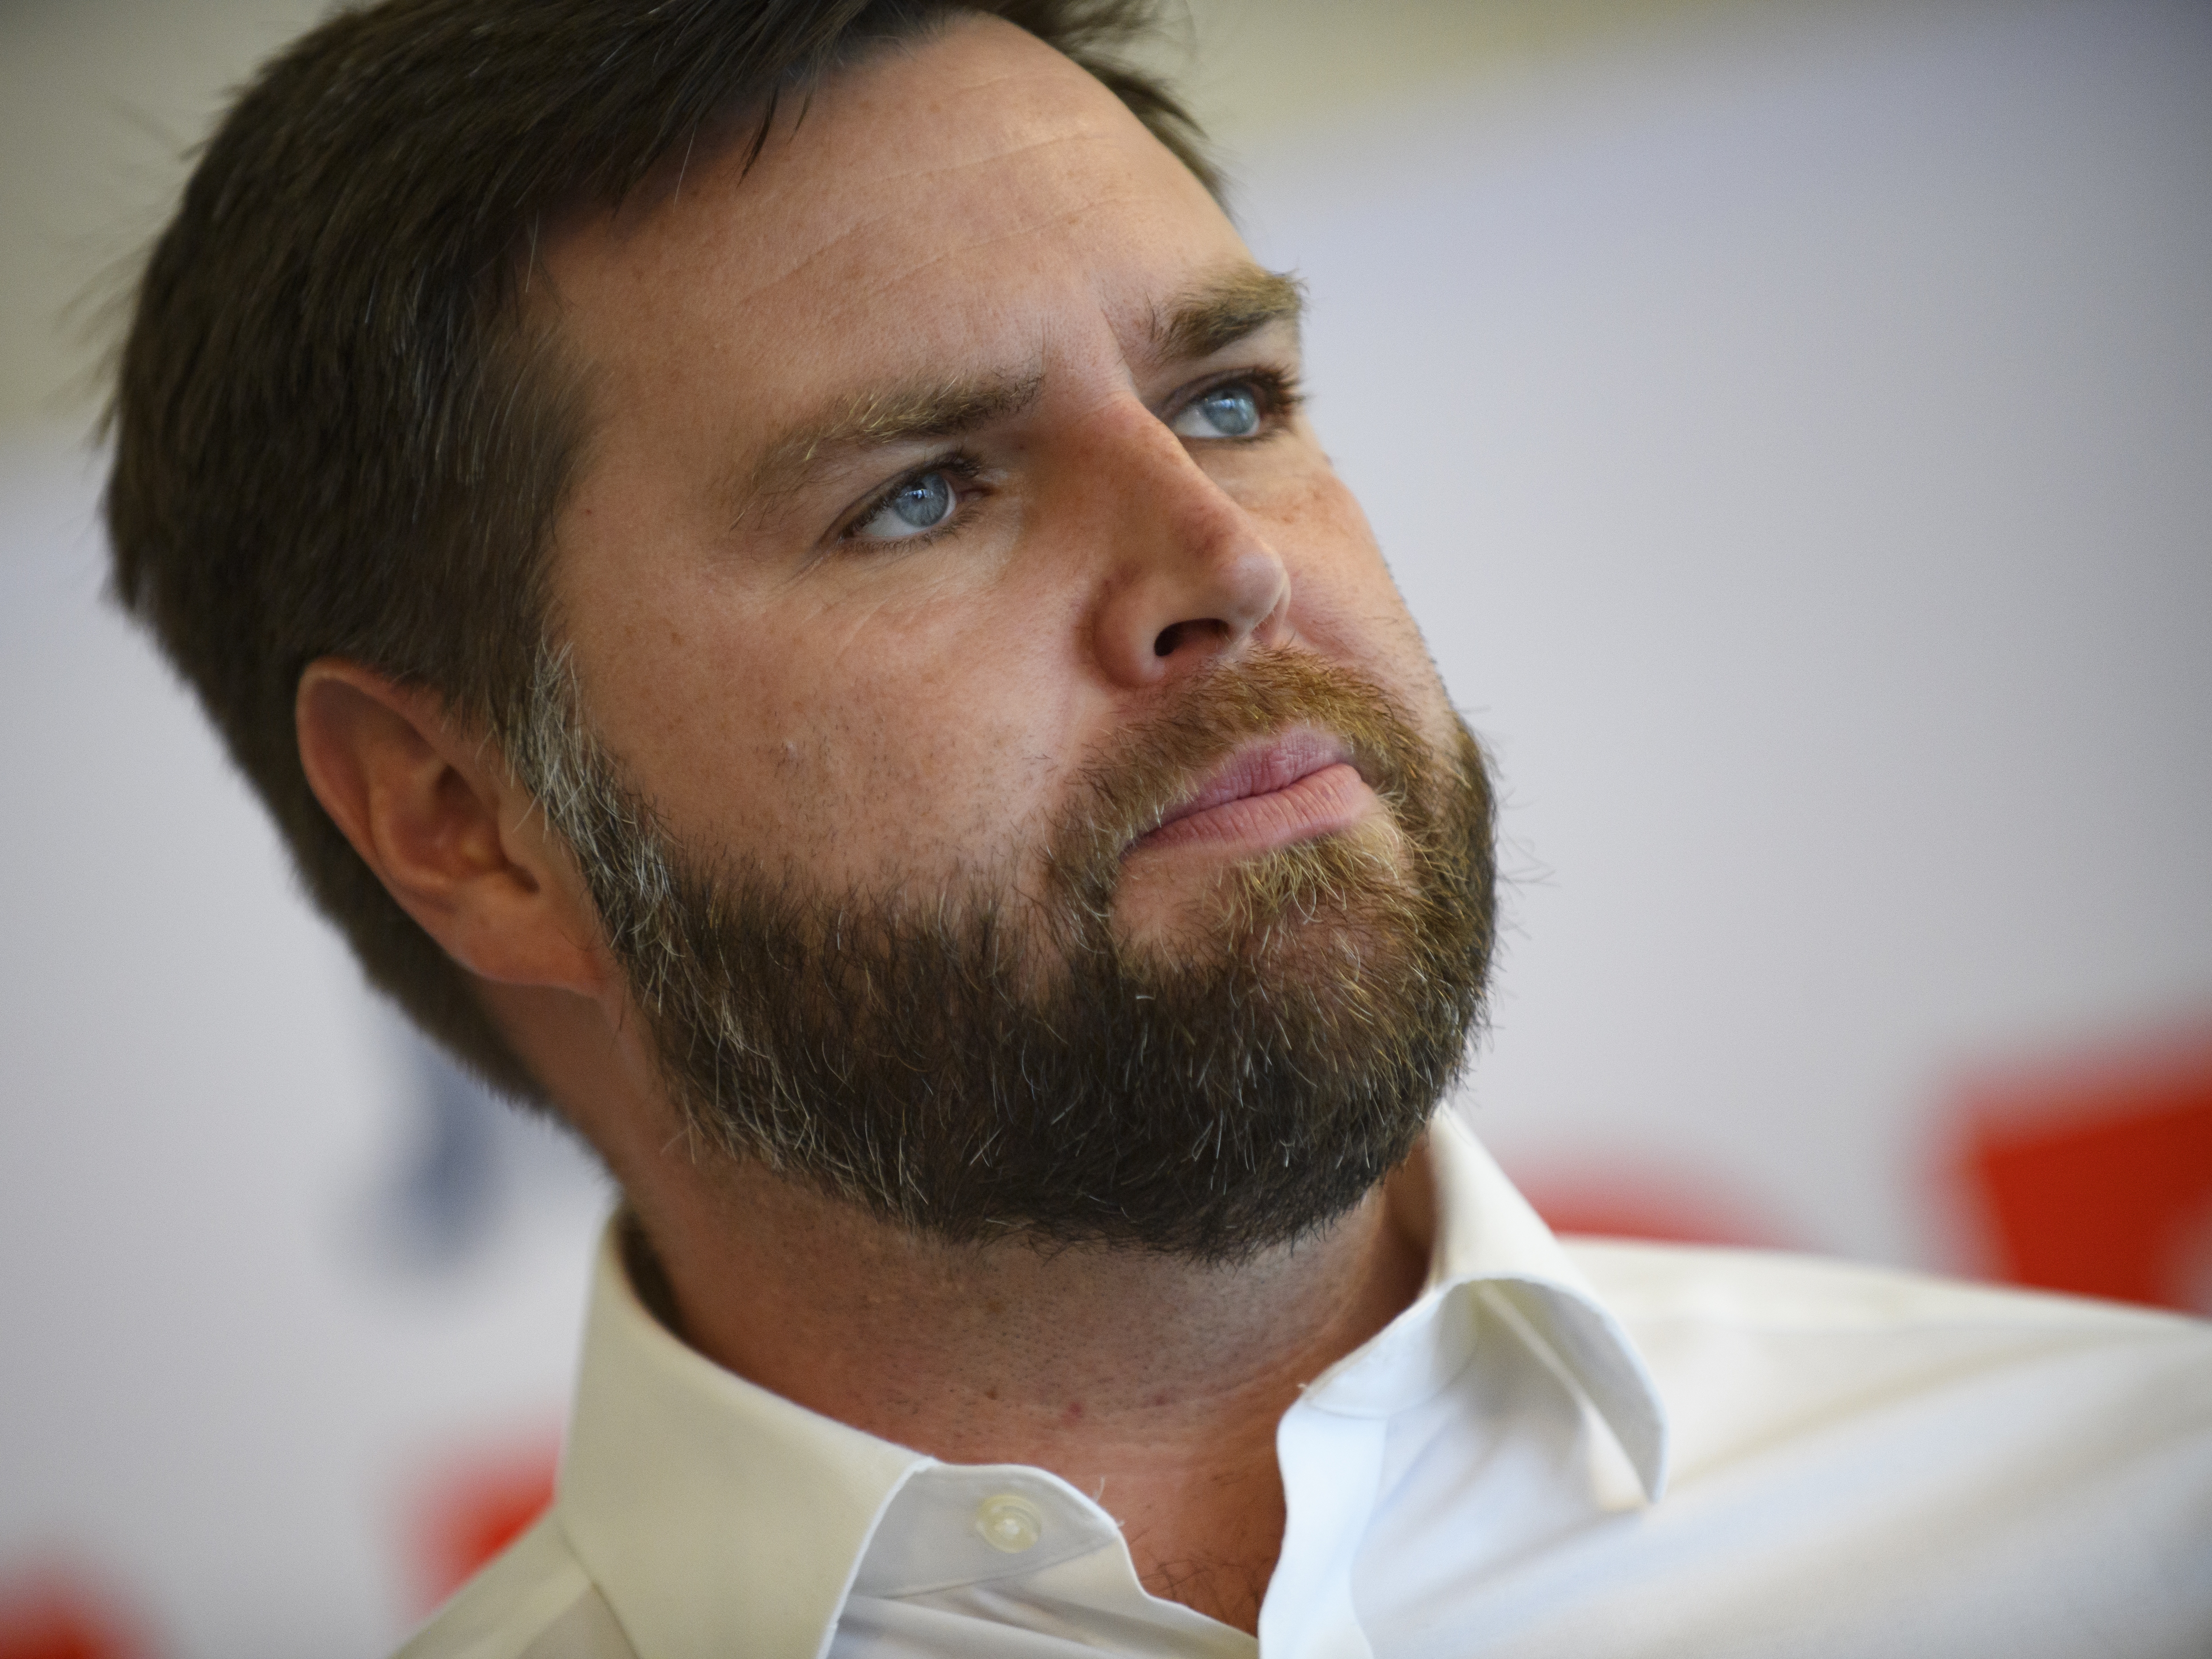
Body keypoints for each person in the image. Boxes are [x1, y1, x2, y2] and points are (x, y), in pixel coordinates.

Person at [104, 2, 2211, 1655]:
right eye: (923, 489)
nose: (1229, 563)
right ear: (465, 823)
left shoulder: (2143, 1519)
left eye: (1228, 397)